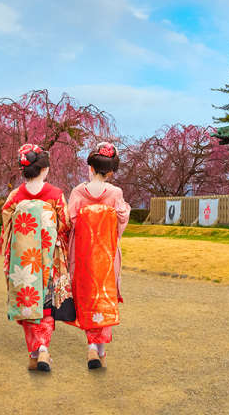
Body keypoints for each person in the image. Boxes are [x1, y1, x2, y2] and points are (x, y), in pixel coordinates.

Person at [0, 144, 73, 372]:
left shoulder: (15, 197)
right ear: (45, 170)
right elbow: (65, 225)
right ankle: (42, 350)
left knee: (27, 304)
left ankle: (34, 352)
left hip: (22, 261)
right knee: (45, 304)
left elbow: (7, 228)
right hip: (47, 259)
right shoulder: (55, 195)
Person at [68, 142, 130, 369]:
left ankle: (92, 345)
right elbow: (120, 222)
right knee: (105, 294)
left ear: (90, 167)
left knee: (87, 295)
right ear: (111, 171)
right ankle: (98, 349)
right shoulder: (115, 193)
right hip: (105, 255)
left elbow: (70, 222)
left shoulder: (77, 192)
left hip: (83, 255)